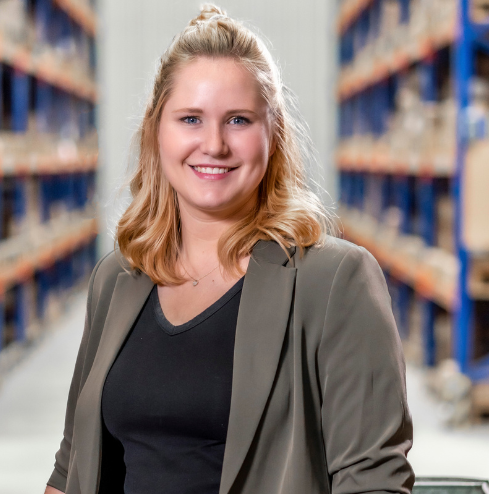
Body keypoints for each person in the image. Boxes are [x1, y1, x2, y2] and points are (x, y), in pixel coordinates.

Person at [44, 4, 414, 494]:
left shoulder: (333, 282)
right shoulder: (117, 279)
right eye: (191, 118)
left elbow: (373, 482)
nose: (213, 144)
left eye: (238, 120)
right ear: (158, 131)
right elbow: (72, 467)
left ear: (273, 134)